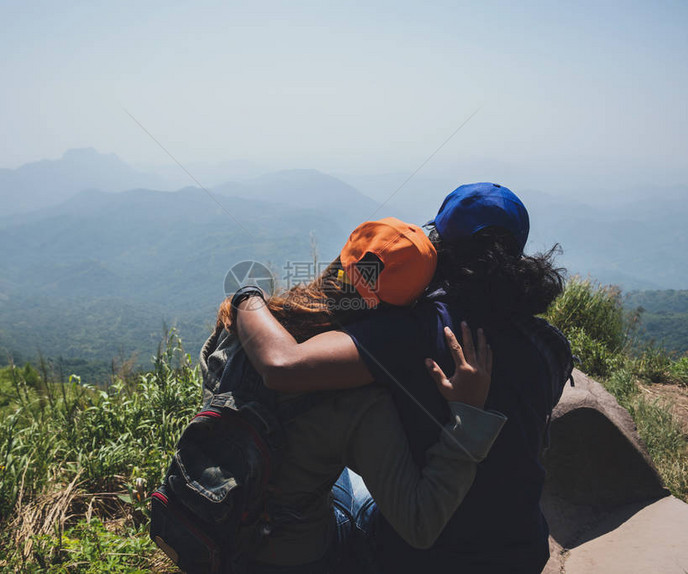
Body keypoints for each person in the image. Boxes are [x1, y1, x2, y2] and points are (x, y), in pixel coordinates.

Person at [235, 183, 567, 573]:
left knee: (345, 476)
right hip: (521, 551)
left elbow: (284, 366)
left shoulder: (416, 331)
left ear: (439, 246)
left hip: (424, 556)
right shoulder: (549, 346)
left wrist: (246, 296)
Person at [204, 217, 507, 573]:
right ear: (404, 311)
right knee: (363, 492)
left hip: (216, 517)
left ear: (341, 263)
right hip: (294, 556)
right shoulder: (361, 398)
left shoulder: (246, 326)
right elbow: (420, 524)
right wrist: (467, 418)